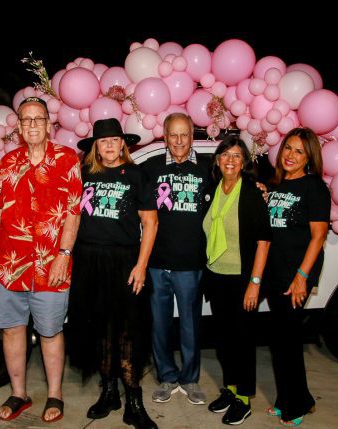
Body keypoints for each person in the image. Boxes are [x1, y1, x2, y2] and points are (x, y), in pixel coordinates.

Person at [0, 97, 82, 424]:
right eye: (27, 119)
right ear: (20, 128)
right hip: (9, 265)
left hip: (52, 265)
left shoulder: (67, 160)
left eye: (39, 118)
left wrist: (63, 255)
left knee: (51, 331)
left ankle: (55, 394)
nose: (33, 124)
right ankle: (19, 393)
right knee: (13, 330)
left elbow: (73, 212)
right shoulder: (7, 163)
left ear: (49, 125)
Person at [68, 118, 159, 429]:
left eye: (114, 140)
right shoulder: (84, 174)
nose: (108, 145)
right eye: (103, 141)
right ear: (96, 146)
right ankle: (109, 393)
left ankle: (133, 401)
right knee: (100, 331)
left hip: (124, 262)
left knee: (128, 332)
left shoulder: (136, 175)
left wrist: (141, 265)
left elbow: (150, 223)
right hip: (88, 261)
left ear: (123, 144)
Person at [140, 112, 212, 405]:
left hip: (191, 263)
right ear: (165, 137)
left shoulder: (208, 168)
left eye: (185, 134)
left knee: (190, 325)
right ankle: (167, 377)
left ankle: (190, 379)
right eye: (174, 134)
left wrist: (260, 187)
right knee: (159, 325)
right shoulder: (150, 167)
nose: (179, 141)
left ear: (192, 136)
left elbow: (235, 186)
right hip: (157, 263)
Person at [202, 136, 271, 425]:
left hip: (242, 279)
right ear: (217, 160)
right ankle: (230, 390)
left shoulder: (252, 193)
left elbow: (264, 241)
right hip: (216, 276)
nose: (230, 160)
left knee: (242, 341)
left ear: (243, 162)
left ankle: (243, 399)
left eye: (236, 155)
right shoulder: (212, 190)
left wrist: (255, 283)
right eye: (225, 155)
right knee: (223, 340)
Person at [265, 127, 330, 427]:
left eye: (299, 151)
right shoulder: (277, 184)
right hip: (275, 273)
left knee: (289, 341)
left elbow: (318, 236)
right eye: (288, 148)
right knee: (280, 340)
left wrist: (302, 276)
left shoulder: (314, 187)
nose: (291, 155)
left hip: (295, 275)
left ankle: (299, 404)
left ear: (309, 158)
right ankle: (286, 399)